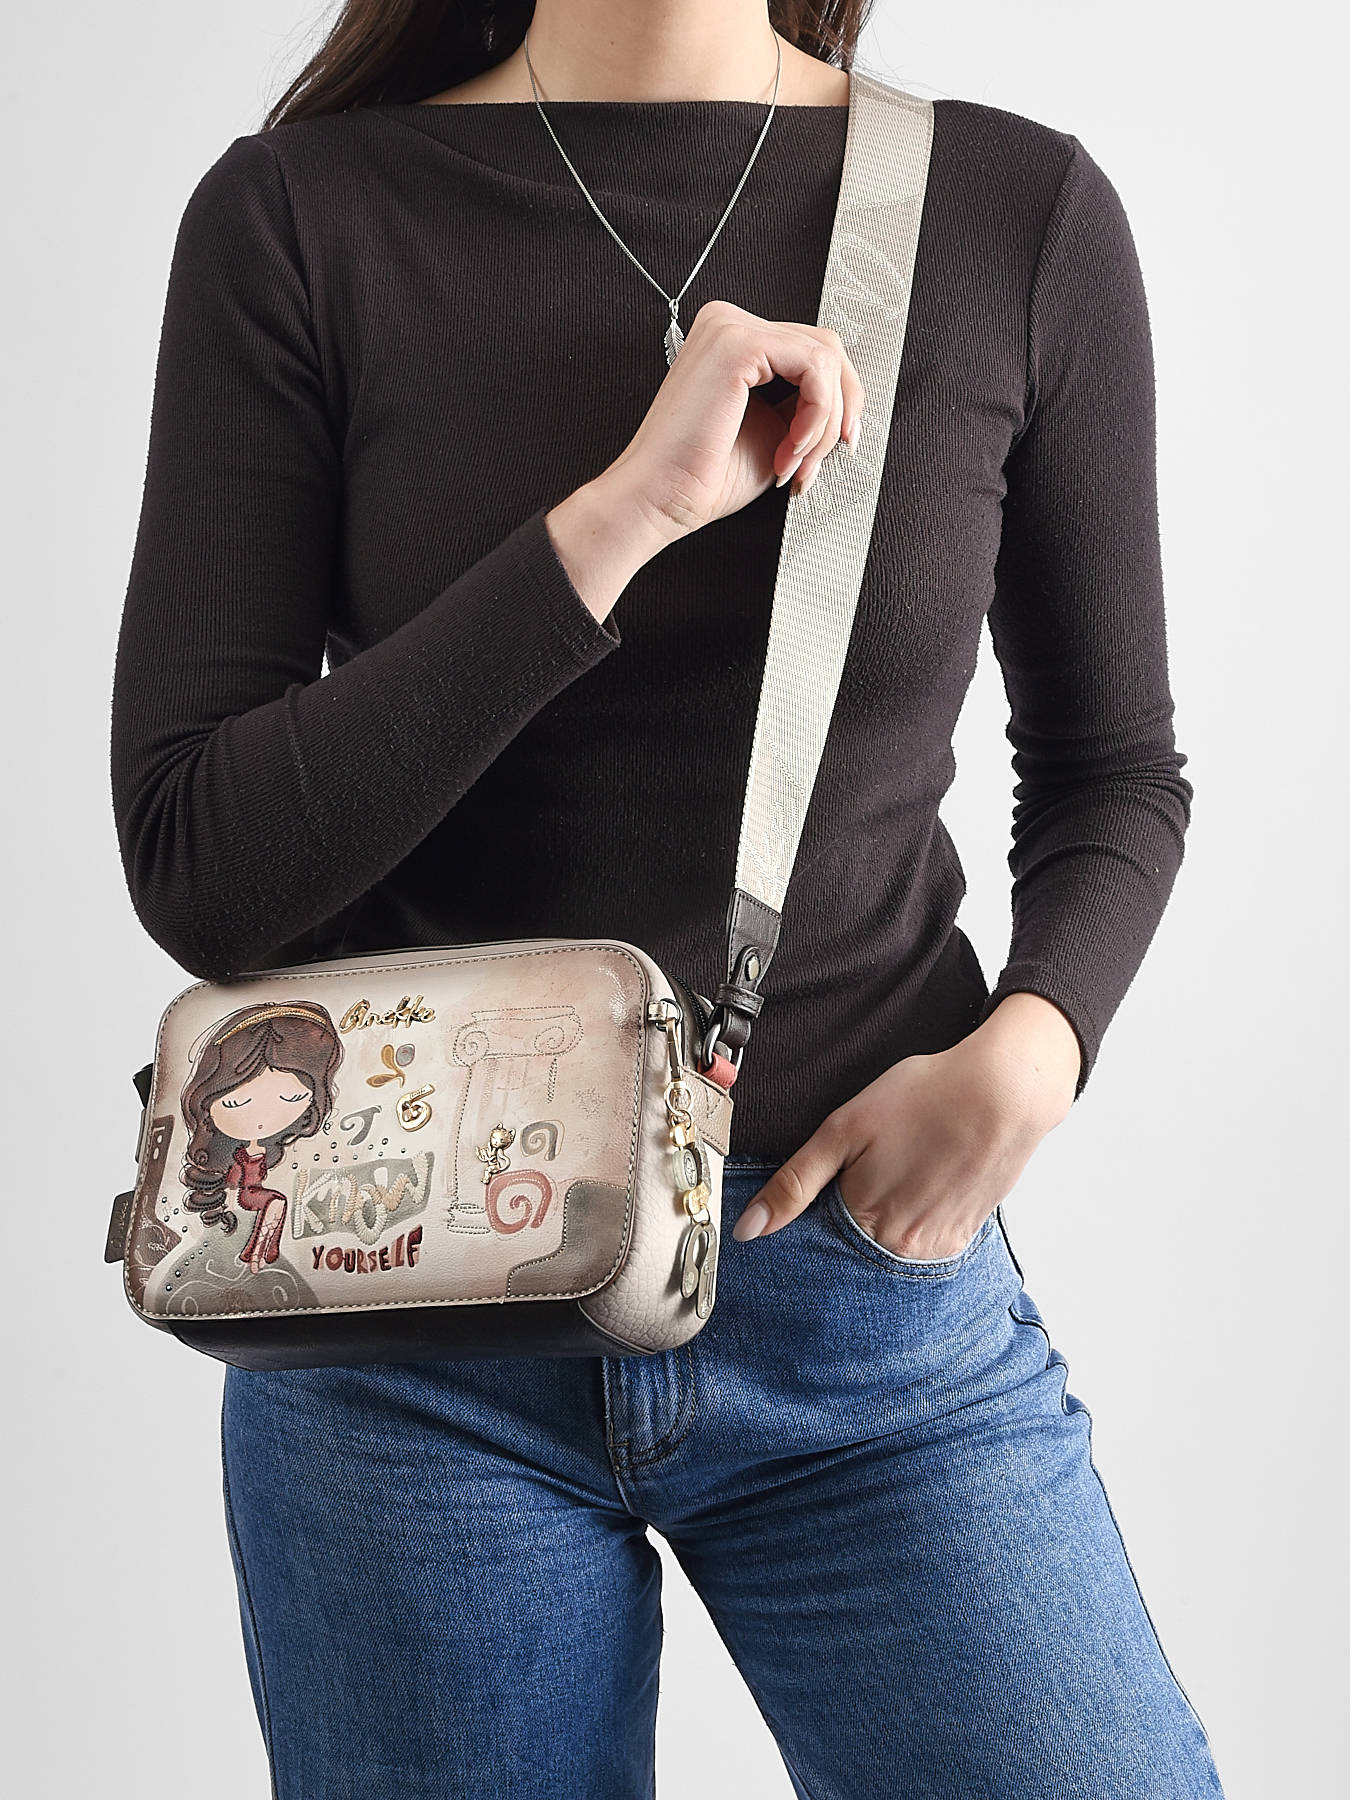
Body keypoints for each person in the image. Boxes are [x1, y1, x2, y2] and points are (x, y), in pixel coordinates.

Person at [108, 1, 1228, 1794]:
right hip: (409, 1321)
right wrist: (619, 516)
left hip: (857, 1286)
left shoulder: (1008, 213)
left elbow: (1115, 773)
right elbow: (202, 864)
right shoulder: (301, 218)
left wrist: (1032, 1051)